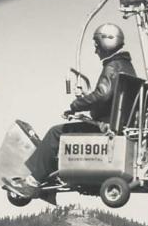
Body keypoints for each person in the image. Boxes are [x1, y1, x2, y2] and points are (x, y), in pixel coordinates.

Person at [13, 22, 136, 197]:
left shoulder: (112, 66)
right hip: (118, 125)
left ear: (106, 43)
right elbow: (109, 98)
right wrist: (88, 102)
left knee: (55, 133)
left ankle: (32, 182)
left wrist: (76, 106)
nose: (96, 50)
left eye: (97, 45)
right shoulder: (127, 66)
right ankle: (50, 174)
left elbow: (102, 95)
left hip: (106, 128)